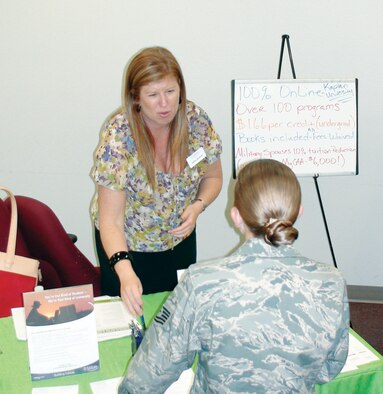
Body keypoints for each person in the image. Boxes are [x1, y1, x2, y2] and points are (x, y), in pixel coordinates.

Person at [118, 159, 350, 394]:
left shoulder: (202, 283)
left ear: (236, 216)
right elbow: (328, 369)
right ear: (298, 212)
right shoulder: (331, 282)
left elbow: (150, 373)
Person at [90, 47, 223, 316]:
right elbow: (110, 222)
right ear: (136, 97)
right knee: (130, 324)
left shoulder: (196, 122)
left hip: (179, 243)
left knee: (176, 318)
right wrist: (124, 272)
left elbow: (213, 176)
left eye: (170, 92)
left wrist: (198, 205)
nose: (164, 104)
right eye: (152, 95)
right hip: (127, 248)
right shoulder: (119, 139)